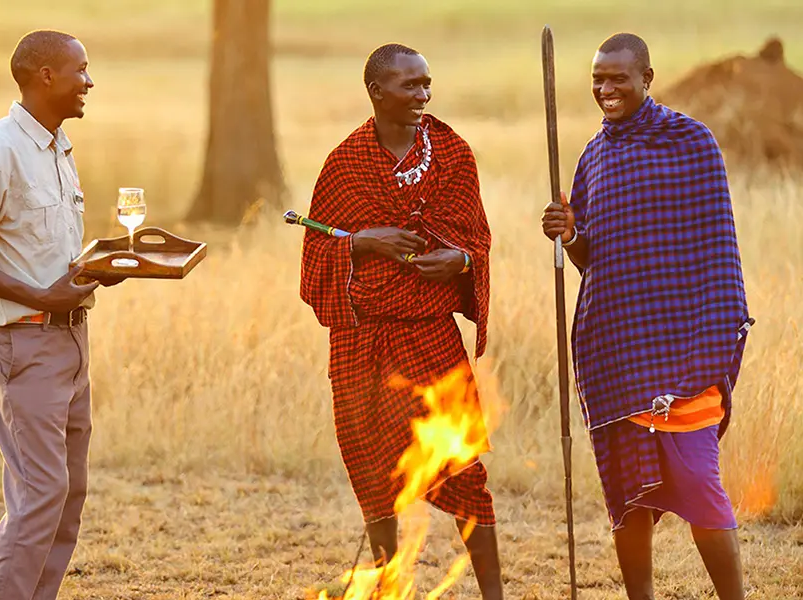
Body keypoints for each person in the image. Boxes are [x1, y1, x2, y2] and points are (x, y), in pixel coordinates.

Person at [541, 33, 753, 600]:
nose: (605, 90)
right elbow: (594, 259)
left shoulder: (691, 143)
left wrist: (708, 343)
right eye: (597, 79)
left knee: (700, 484)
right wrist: (569, 235)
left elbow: (716, 248)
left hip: (684, 348)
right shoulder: (594, 156)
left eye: (618, 78)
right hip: (616, 351)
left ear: (647, 79)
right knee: (628, 495)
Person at [299, 43, 502, 599]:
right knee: (373, 474)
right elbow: (315, 258)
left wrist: (458, 260)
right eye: (410, 86)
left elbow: (476, 239)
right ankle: (386, 587)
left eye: (427, 84)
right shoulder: (344, 164)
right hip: (361, 341)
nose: (423, 95)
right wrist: (363, 243)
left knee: (463, 470)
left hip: (430, 336)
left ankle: (494, 595)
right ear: (377, 92)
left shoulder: (452, 153)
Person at [0, 30, 116, 600]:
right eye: (80, 70)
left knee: (68, 493)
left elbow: (46, 255)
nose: (89, 81)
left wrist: (100, 267)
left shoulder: (57, 147)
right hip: (26, 340)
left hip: (70, 341)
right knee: (41, 492)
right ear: (45, 76)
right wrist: (42, 299)